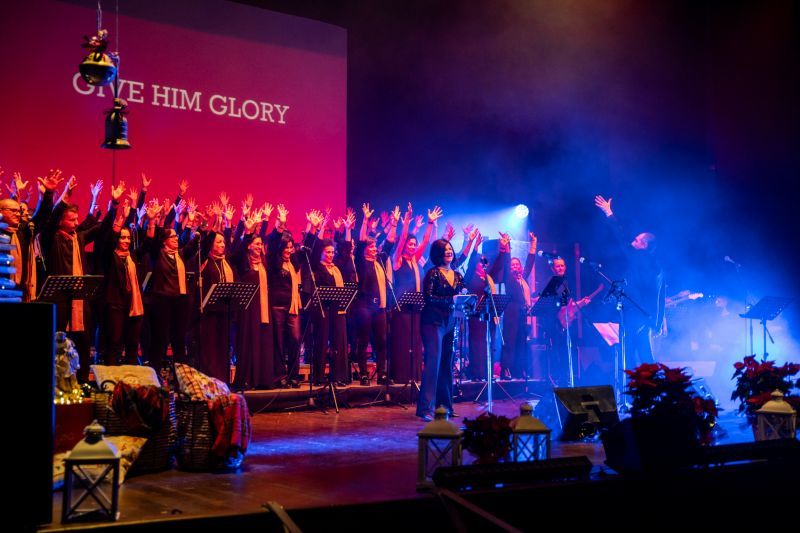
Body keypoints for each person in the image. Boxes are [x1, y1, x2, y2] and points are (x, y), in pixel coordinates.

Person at [594, 195, 665, 366]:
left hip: (635, 314)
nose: (633, 242)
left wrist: (609, 214)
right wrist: (657, 321)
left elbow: (621, 237)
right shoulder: (657, 267)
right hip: (645, 316)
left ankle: (636, 388)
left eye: (637, 240)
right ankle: (652, 389)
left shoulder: (640, 258)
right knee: (644, 356)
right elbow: (660, 296)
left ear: (644, 246)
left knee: (632, 356)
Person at [389, 203, 439, 384]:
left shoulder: (415, 260)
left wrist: (431, 224)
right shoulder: (398, 260)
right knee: (403, 343)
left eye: (413, 244)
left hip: (416, 308)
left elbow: (425, 242)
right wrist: (408, 219)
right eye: (410, 244)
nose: (412, 246)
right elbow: (401, 238)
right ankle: (401, 376)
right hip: (401, 309)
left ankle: (414, 376)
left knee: (416, 343)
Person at [416, 238, 464, 421]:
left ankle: (445, 407)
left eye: (450, 249)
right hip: (433, 321)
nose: (448, 252)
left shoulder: (458, 275)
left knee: (446, 364)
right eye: (444, 250)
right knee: (433, 363)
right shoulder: (433, 273)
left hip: (451, 321)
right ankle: (425, 408)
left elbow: (461, 297)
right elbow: (428, 297)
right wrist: (450, 301)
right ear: (438, 253)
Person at [353, 203, 397, 385]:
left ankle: (382, 374)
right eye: (370, 247)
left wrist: (394, 224)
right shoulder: (361, 261)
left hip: (380, 307)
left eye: (374, 247)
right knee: (363, 341)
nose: (373, 249)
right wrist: (364, 220)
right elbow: (362, 240)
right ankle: (363, 373)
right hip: (364, 306)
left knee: (381, 340)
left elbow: (390, 244)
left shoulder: (379, 260)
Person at [462, 231, 502, 381]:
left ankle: (487, 373)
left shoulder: (488, 279)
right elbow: (471, 264)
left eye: (485, 262)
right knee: (477, 344)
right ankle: (477, 373)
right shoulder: (471, 277)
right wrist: (475, 247)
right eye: (480, 261)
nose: (483, 264)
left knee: (489, 343)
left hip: (488, 316)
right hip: (475, 316)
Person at [497, 232, 536, 379]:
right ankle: (506, 369)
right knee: (510, 342)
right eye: (513, 265)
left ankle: (520, 370)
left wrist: (533, 245)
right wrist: (507, 247)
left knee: (521, 343)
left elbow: (530, 263)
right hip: (511, 314)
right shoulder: (509, 278)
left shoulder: (522, 278)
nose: (515, 266)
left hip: (523, 315)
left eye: (517, 264)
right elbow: (506, 264)